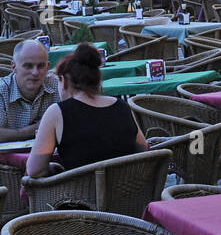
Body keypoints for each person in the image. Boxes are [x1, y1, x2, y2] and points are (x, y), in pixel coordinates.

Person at [27, 43, 147, 176]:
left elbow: (34, 170)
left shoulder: (57, 112)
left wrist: (55, 168)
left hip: (78, 195)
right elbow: (143, 149)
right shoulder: (121, 106)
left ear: (64, 81)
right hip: (129, 192)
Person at [0, 39, 61, 146]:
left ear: (47, 67)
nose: (35, 72)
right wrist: (39, 127)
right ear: (14, 67)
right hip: (4, 161)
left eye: (40, 66)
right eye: (28, 66)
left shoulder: (58, 85)